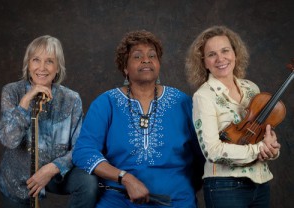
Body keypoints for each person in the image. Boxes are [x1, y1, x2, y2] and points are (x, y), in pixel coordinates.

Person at [72, 30, 205, 208]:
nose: (146, 59)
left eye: (152, 55)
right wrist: (124, 178)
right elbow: (84, 152)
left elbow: (202, 154)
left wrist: (182, 188)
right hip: (119, 201)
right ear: (125, 68)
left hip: (176, 201)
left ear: (158, 64)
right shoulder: (106, 103)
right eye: (137, 56)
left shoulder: (182, 102)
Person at [0, 35, 98, 208]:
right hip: (18, 179)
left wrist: (53, 168)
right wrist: (25, 102)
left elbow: (80, 147)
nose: (42, 68)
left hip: (56, 173)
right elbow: (8, 139)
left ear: (57, 68)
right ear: (28, 65)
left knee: (88, 182)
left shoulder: (71, 99)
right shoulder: (12, 92)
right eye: (36, 60)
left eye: (49, 61)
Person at [185, 25, 281, 208]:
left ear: (235, 54)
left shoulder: (252, 88)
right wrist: (257, 150)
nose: (220, 58)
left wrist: (271, 148)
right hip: (225, 187)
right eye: (212, 54)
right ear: (204, 62)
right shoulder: (203, 96)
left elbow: (262, 135)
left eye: (225, 51)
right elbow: (212, 151)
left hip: (261, 183)